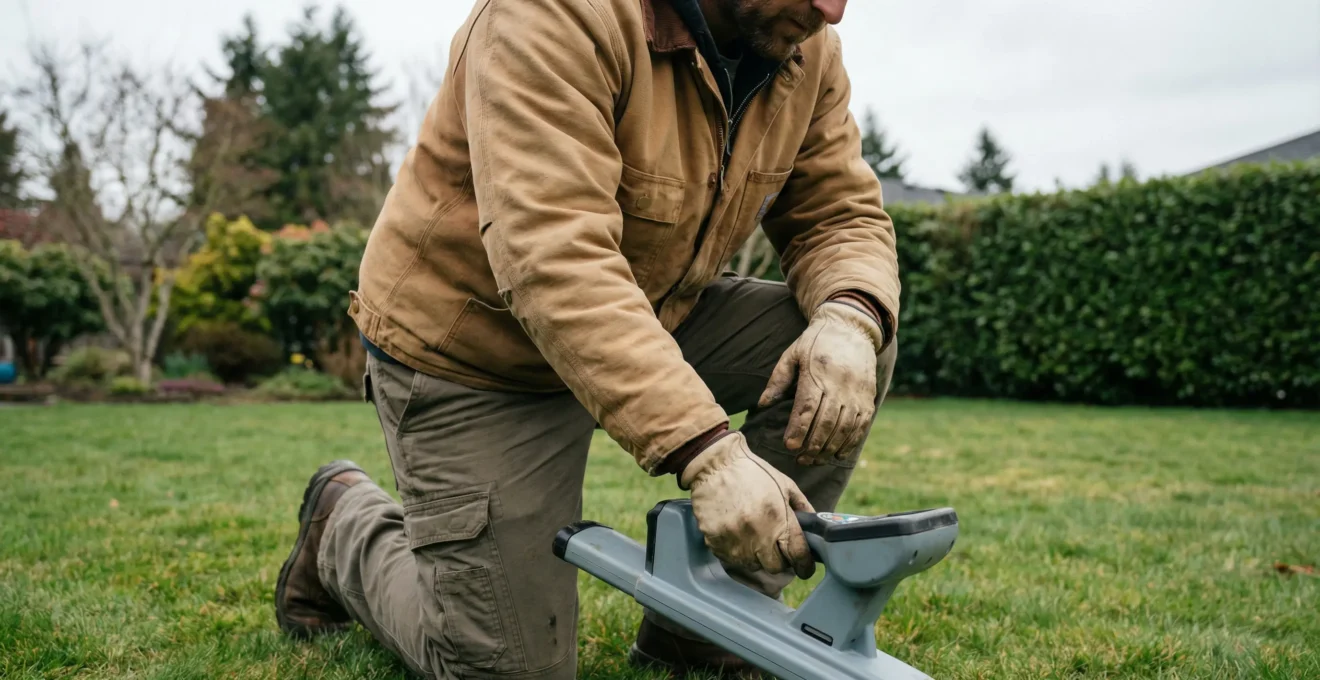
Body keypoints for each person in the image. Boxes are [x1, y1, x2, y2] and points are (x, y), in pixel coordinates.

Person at [273, 0, 900, 677]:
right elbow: (553, 256)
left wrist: (850, 317)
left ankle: (707, 624)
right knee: (507, 671)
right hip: (478, 353)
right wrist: (709, 453)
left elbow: (839, 213)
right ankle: (343, 528)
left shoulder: (804, 46)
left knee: (844, 346)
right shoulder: (551, 12)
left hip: (650, 314)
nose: (832, 10)